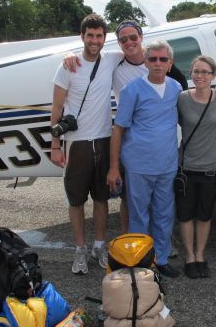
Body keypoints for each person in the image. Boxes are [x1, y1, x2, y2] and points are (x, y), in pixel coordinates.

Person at [63, 20, 187, 234]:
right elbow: (89, 55)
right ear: (118, 43)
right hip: (132, 146)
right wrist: (68, 54)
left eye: (133, 38)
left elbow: (182, 100)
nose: (129, 42)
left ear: (141, 38)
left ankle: (159, 244)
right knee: (129, 200)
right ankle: (131, 242)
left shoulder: (164, 67)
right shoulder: (115, 62)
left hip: (160, 152)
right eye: (123, 39)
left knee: (160, 203)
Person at [50, 14, 122, 275]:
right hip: (77, 142)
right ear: (82, 37)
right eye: (90, 35)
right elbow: (57, 107)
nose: (95, 40)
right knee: (76, 200)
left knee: (101, 199)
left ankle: (99, 246)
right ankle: (80, 249)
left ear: (105, 38)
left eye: (99, 36)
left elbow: (139, 50)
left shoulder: (112, 59)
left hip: (103, 139)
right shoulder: (68, 66)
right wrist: (55, 145)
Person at [107, 40, 182, 278]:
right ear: (146, 62)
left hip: (167, 164)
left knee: (164, 212)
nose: (158, 63)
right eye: (153, 59)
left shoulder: (176, 89)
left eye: (163, 59)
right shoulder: (132, 90)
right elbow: (118, 129)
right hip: (138, 164)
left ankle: (160, 259)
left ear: (170, 64)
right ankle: (139, 261)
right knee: (138, 214)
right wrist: (113, 168)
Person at [176, 56, 216, 279]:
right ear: (191, 74)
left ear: (213, 75)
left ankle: (200, 254)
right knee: (185, 215)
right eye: (196, 71)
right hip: (186, 168)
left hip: (211, 169)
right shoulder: (182, 99)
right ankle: (189, 256)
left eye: (205, 72)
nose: (200, 76)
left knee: (204, 216)